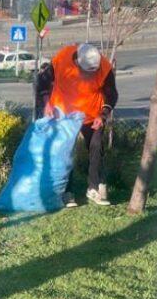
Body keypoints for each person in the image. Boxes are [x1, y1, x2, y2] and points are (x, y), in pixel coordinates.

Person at [35, 42, 118, 207]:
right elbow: (42, 82)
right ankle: (67, 192)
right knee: (66, 151)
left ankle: (93, 188)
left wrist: (103, 115)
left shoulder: (104, 67)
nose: (88, 76)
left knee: (96, 145)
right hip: (64, 114)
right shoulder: (63, 58)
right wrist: (46, 103)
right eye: (86, 72)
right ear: (77, 63)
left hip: (92, 114)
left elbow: (111, 94)